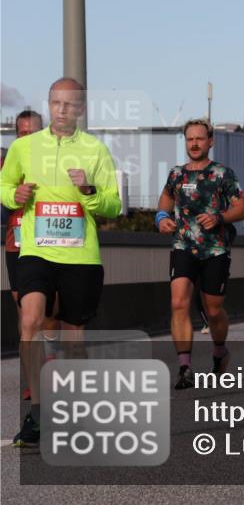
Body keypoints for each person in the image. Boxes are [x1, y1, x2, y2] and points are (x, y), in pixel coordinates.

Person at [2, 78, 122, 447]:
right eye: (56, 103)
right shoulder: (24, 148)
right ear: (49, 104)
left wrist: (88, 191)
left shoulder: (95, 150)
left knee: (73, 338)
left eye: (70, 104)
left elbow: (114, 205)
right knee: (30, 319)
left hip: (80, 255)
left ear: (81, 109)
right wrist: (14, 194)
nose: (62, 110)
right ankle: (37, 413)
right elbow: (4, 188)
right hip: (36, 251)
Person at [156, 119, 244, 389]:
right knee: (178, 303)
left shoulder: (223, 174)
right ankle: (184, 366)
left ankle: (220, 350)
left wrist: (219, 216)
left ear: (211, 141)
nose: (194, 143)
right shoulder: (176, 175)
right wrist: (161, 219)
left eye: (199, 139)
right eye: (190, 139)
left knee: (213, 310)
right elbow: (164, 204)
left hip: (215, 249)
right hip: (183, 245)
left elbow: (242, 209)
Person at [2, 110, 48, 400]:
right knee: (26, 313)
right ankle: (34, 379)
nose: (27, 138)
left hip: (50, 244)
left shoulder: (54, 163)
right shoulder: (9, 164)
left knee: (50, 314)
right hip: (17, 244)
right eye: (22, 133)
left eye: (33, 133)